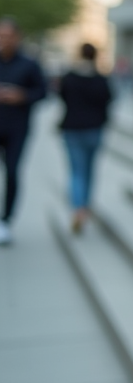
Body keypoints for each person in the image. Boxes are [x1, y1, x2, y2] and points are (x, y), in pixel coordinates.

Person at [0, 17, 47, 245]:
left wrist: (22, 96)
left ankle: (6, 220)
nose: (4, 40)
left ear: (17, 37)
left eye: (8, 36)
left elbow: (43, 92)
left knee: (11, 172)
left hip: (17, 128)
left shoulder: (29, 64)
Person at [58, 43, 112, 234]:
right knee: (89, 170)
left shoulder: (70, 78)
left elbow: (62, 97)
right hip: (94, 129)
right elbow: (108, 100)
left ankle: (78, 208)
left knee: (76, 171)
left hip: (72, 128)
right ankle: (85, 206)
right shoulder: (100, 79)